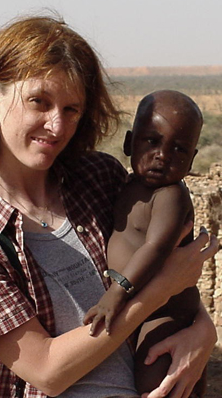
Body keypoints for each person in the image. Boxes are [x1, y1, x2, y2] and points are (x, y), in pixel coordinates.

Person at [0, 15, 218, 398]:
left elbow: (177, 278)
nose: (56, 126)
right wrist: (160, 290)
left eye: (71, 109)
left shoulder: (99, 179)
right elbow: (47, 371)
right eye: (39, 102)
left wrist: (203, 332)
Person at [83, 90, 206, 395]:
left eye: (178, 149)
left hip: (166, 311)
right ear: (129, 143)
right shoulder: (126, 184)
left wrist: (116, 291)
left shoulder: (170, 196)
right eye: (152, 142)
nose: (162, 155)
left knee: (157, 380)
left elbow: (156, 247)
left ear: (191, 159)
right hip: (141, 306)